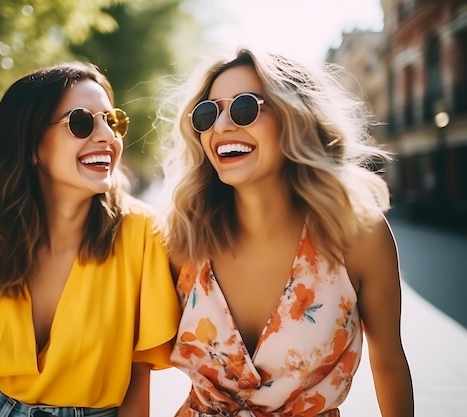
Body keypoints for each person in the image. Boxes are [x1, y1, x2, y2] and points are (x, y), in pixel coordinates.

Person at [160, 48, 414, 416]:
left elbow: (389, 364)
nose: (221, 127)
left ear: (295, 117)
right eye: (207, 113)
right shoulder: (182, 240)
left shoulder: (359, 237)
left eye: (244, 107)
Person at [0, 61, 179, 417]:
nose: (107, 136)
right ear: (30, 145)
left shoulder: (141, 234)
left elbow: (138, 376)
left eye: (112, 120)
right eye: (82, 122)